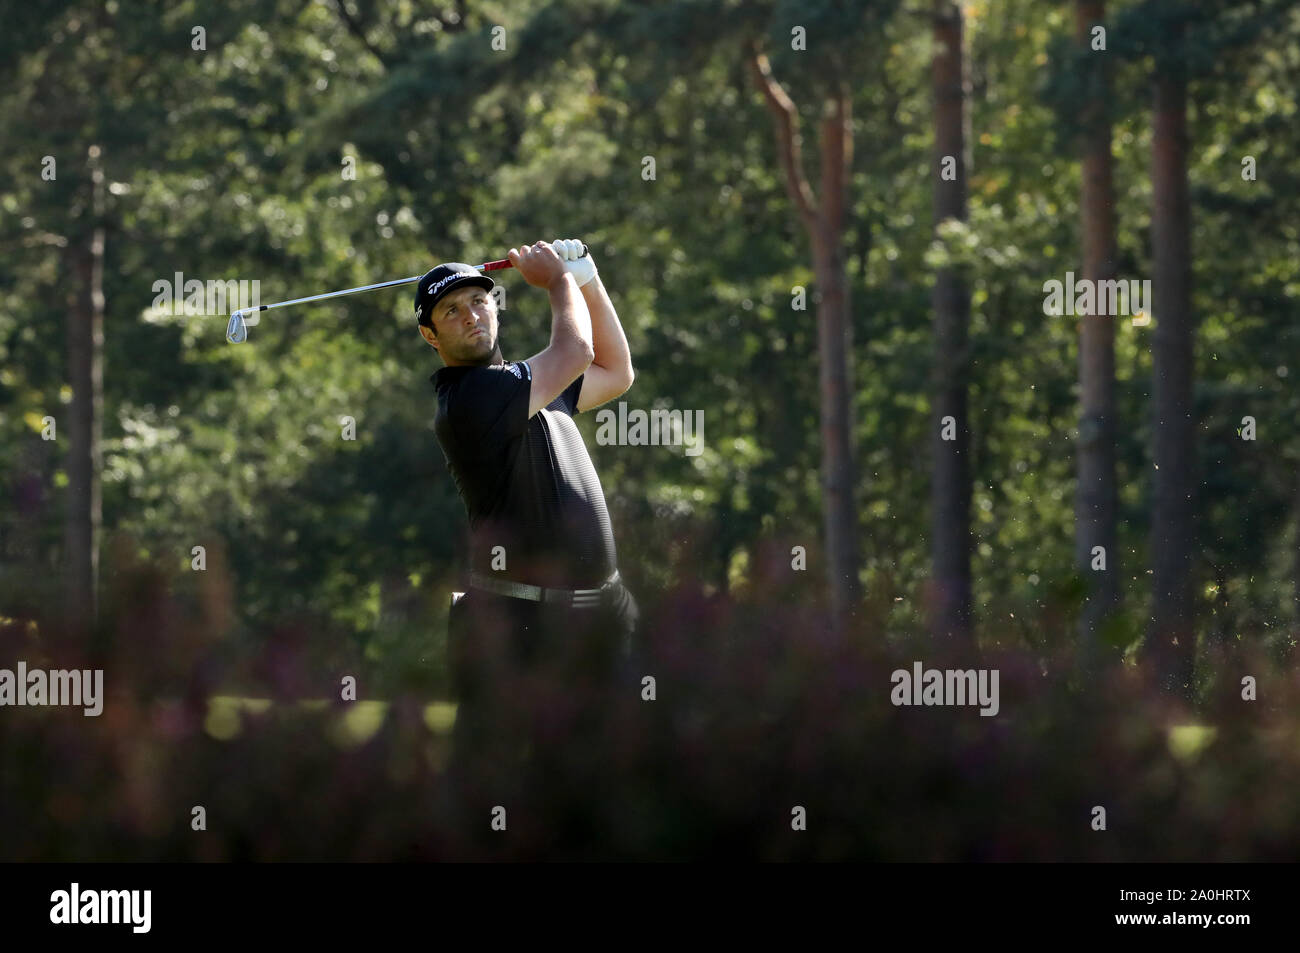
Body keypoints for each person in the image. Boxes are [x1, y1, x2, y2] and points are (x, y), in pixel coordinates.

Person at [416, 239, 638, 855]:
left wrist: (589, 278)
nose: (471, 316)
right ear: (432, 338)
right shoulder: (467, 401)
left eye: (478, 302)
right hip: (516, 620)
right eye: (452, 313)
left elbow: (615, 371)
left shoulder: (529, 388)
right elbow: (576, 350)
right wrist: (559, 282)